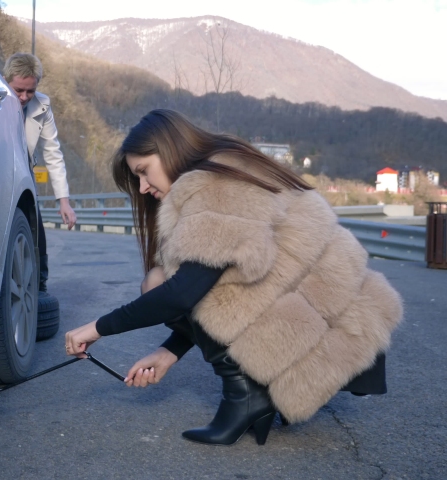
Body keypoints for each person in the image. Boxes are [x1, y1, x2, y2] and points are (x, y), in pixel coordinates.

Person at [64, 109, 402, 446]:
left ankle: (246, 396)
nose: (142, 187)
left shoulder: (218, 188)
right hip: (313, 314)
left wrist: (96, 329)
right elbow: (203, 284)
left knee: (160, 284)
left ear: (169, 149)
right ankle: (251, 394)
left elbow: (184, 294)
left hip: (336, 329)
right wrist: (169, 352)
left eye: (144, 171)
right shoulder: (217, 170)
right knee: (160, 279)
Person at [4, 53, 77, 293]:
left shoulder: (42, 106)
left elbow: (53, 153)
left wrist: (63, 202)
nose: (24, 97)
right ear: (6, 81)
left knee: (36, 230)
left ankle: (39, 286)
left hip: (24, 172)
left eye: (30, 92)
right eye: (18, 91)